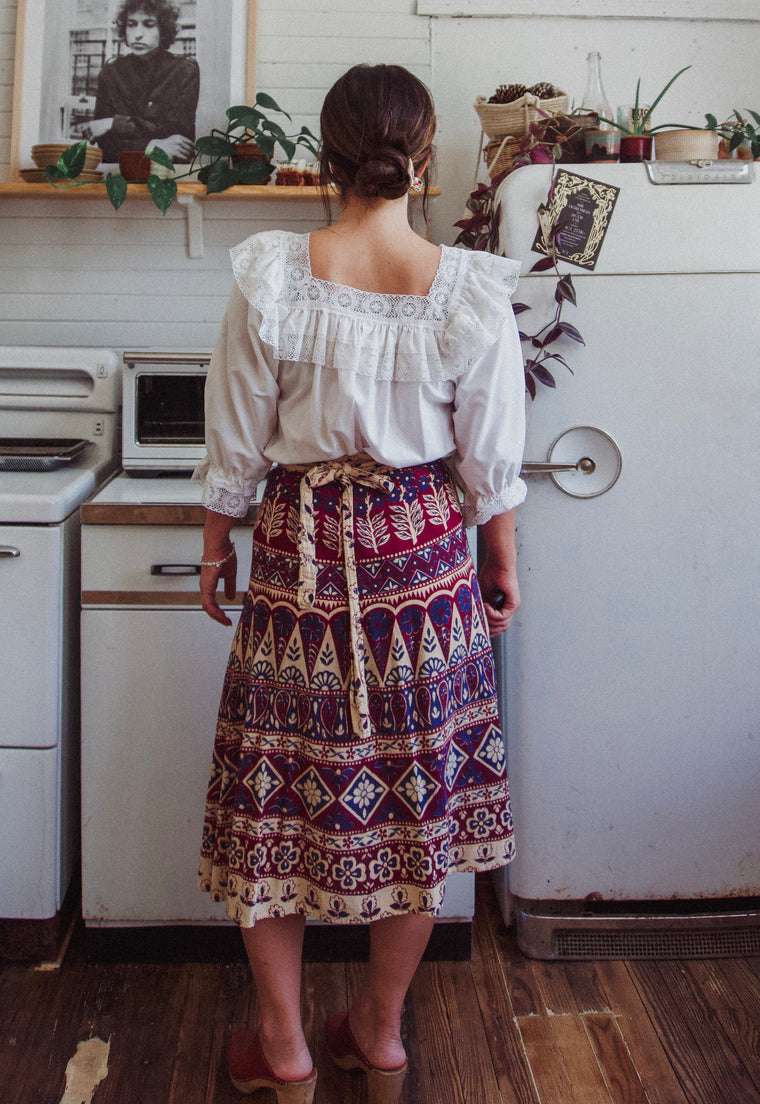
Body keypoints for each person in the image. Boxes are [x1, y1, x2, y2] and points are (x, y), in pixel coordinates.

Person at [192, 63, 526, 1104]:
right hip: (424, 563)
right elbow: (490, 459)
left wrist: (215, 545)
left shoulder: (273, 278)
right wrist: (502, 564)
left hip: (299, 556)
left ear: (327, 159)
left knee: (274, 796)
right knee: (417, 798)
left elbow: (236, 441)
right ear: (421, 159)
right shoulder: (467, 288)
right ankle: (377, 1036)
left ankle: (284, 1048)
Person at [80, 0, 199, 164]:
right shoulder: (110, 72)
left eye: (149, 25)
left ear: (163, 30)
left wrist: (114, 124)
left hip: (168, 172)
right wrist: (152, 145)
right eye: (131, 24)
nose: (137, 34)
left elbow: (178, 139)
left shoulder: (185, 70)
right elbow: (106, 144)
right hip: (121, 171)